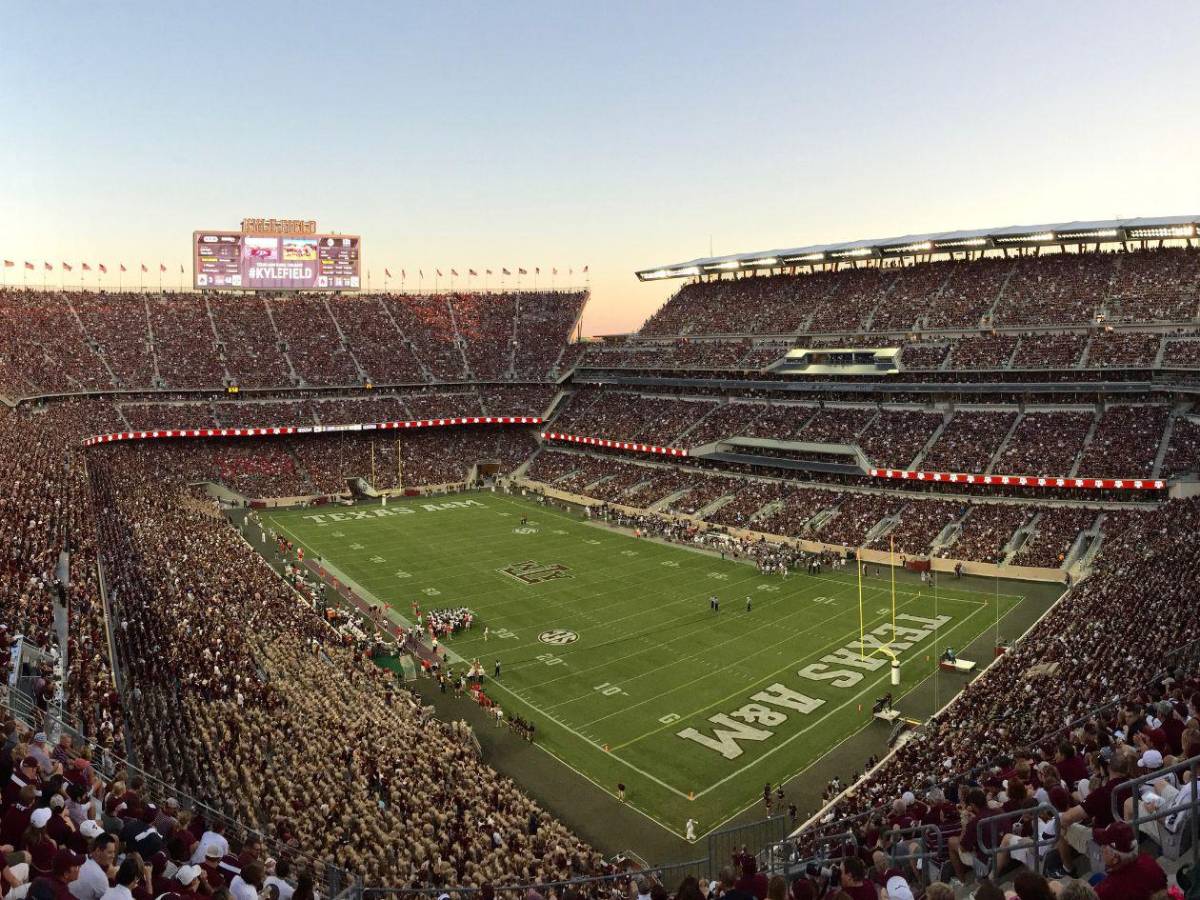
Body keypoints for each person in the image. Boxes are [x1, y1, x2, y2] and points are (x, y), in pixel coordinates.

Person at [1090, 821, 1166, 899]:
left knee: (1095, 879)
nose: (1101, 848)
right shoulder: (1149, 861)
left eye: (1104, 845)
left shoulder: (1108, 889)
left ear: (1115, 859)